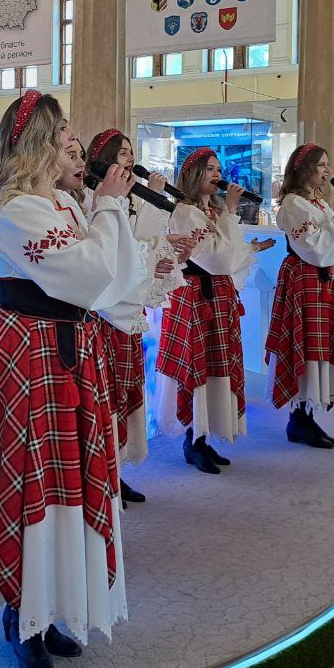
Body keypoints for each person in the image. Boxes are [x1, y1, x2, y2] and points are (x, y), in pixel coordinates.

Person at [0, 90, 148, 668]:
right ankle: (22, 617)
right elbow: (87, 275)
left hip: (67, 353)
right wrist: (109, 208)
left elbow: (114, 280)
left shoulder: (62, 205)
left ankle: (50, 605)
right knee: (32, 480)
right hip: (30, 357)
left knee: (67, 483)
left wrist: (108, 214)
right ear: (37, 147)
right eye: (64, 139)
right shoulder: (18, 211)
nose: (74, 150)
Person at [85, 129, 191, 502]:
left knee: (127, 387)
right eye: (122, 153)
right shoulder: (92, 198)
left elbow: (139, 243)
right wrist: (155, 250)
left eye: (131, 153)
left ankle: (116, 468)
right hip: (105, 310)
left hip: (129, 306)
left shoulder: (131, 198)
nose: (130, 159)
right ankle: (102, 471)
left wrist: (164, 250)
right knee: (106, 392)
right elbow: (111, 254)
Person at [157, 147, 274, 474]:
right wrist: (232, 211)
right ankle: (193, 439)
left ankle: (205, 435)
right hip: (197, 297)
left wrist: (249, 246)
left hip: (218, 296)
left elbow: (230, 253)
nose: (217, 175)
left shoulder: (211, 211)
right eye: (210, 169)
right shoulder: (185, 212)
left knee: (216, 364)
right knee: (198, 363)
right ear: (194, 174)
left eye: (218, 169)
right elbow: (219, 258)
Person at [265, 143, 334, 448]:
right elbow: (315, 248)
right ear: (304, 168)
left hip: (323, 282)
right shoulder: (292, 204)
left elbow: (333, 239)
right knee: (306, 344)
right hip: (305, 280)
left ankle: (308, 415)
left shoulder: (318, 203)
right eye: (322, 165)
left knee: (322, 346)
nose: (328, 171)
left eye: (328, 165)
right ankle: (298, 418)